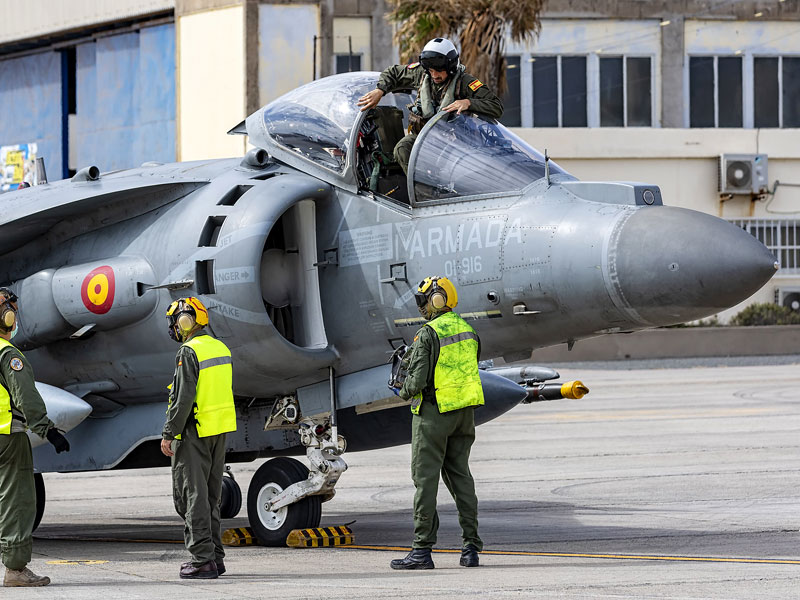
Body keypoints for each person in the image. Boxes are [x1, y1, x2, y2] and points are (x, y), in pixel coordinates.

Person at [389, 276, 484, 570]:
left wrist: (401, 391)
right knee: (461, 479)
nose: (422, 308)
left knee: (425, 482)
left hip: (433, 416)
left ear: (437, 299)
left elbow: (416, 379)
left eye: (424, 301)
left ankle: (421, 550)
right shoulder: (469, 331)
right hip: (464, 415)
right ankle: (471, 548)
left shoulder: (428, 334)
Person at [161, 297, 236, 580]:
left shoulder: (188, 352)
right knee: (210, 497)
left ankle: (201, 560)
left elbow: (182, 399)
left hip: (193, 431)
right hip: (218, 430)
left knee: (191, 497)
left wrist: (169, 433)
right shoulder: (220, 347)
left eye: (175, 322)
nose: (174, 328)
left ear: (185, 321)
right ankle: (215, 557)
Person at [0, 287, 70, 587]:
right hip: (7, 437)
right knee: (17, 501)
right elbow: (25, 396)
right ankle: (16, 570)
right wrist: (48, 430)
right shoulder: (8, 354)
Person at [357, 37, 504, 174]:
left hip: (453, 140)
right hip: (422, 136)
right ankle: (422, 190)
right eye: (431, 71)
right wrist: (380, 90)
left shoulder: (466, 83)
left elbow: (496, 106)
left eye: (439, 71)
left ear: (450, 66)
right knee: (402, 149)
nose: (434, 76)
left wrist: (468, 102)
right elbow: (393, 72)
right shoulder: (421, 74)